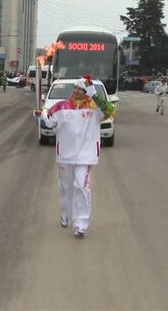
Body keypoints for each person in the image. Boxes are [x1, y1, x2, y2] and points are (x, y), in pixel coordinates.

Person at [33, 75, 115, 238]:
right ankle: (65, 214)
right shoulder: (61, 106)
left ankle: (81, 224)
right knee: (65, 186)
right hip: (65, 153)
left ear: (87, 92)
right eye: (75, 88)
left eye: (81, 89)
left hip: (86, 154)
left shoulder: (95, 108)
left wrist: (93, 93)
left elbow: (109, 110)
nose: (76, 91)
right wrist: (40, 115)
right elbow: (49, 123)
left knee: (81, 186)